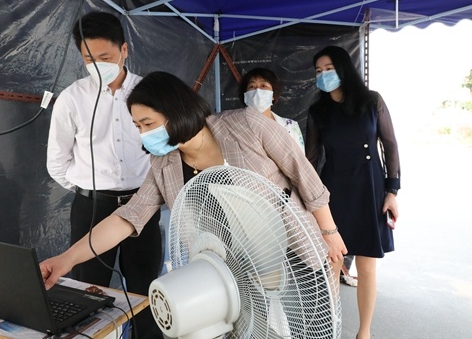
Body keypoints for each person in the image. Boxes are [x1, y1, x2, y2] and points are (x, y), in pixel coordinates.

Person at [42, 71, 348, 335]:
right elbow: (128, 217)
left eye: (148, 123)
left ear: (175, 110)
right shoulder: (164, 165)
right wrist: (67, 259)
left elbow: (303, 174)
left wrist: (329, 232)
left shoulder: (247, 124)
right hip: (231, 276)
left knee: (309, 328)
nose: (143, 134)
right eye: (137, 127)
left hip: (290, 251)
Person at [46, 11, 163, 338]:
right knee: (86, 292)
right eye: (89, 59)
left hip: (142, 205)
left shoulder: (149, 93)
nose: (98, 65)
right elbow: (57, 162)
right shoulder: (72, 99)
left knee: (145, 290)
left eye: (105, 57)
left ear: (124, 50)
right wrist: (90, 189)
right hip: (92, 208)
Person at [305, 46, 400, 339]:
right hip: (334, 191)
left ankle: (364, 332)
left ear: (344, 68)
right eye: (318, 71)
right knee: (332, 265)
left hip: (371, 188)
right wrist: (308, 200)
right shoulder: (318, 111)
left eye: (329, 69)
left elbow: (390, 145)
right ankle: (331, 329)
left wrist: (392, 191)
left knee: (367, 267)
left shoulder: (372, 101)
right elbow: (310, 159)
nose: (323, 75)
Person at [239, 67, 304, 150]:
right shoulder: (235, 127)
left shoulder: (290, 126)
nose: (257, 90)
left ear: (273, 95)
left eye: (263, 86)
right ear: (245, 95)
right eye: (252, 86)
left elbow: (300, 157)